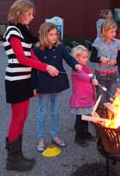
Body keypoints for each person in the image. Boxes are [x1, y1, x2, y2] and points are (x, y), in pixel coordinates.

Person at [2, 0, 59, 172]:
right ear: (20, 12)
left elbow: (31, 55)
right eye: (29, 14)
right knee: (17, 117)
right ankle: (12, 160)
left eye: (32, 14)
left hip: (24, 78)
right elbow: (21, 58)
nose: (32, 17)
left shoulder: (23, 31)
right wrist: (45, 67)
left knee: (23, 116)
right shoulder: (12, 31)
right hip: (15, 79)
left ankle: (18, 155)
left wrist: (46, 67)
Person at [32, 22, 82, 152]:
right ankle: (41, 138)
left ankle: (55, 135)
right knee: (42, 112)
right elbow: (33, 69)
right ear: (44, 35)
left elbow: (68, 58)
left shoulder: (60, 47)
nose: (54, 37)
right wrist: (34, 87)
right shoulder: (37, 49)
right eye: (51, 34)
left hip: (57, 84)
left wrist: (75, 65)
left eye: (56, 34)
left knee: (55, 111)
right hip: (43, 85)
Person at [69, 45, 99, 147]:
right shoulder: (76, 68)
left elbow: (89, 73)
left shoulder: (84, 67)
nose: (86, 59)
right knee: (80, 119)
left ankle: (85, 133)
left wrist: (93, 77)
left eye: (87, 57)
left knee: (85, 118)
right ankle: (78, 137)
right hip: (81, 99)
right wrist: (91, 79)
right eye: (83, 57)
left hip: (87, 98)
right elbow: (83, 76)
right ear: (76, 58)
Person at [90, 19, 120, 105]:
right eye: (111, 32)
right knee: (100, 100)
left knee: (111, 99)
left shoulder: (117, 43)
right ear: (105, 31)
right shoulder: (98, 41)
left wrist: (115, 62)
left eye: (115, 32)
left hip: (113, 76)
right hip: (100, 75)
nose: (114, 34)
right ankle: (100, 116)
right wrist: (100, 59)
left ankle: (110, 117)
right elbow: (92, 58)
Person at [96, 9, 120, 77]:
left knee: (114, 57)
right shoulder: (102, 22)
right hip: (104, 42)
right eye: (108, 14)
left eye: (111, 14)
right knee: (107, 57)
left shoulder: (106, 22)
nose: (110, 15)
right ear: (104, 14)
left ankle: (119, 71)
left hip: (108, 41)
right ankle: (117, 72)